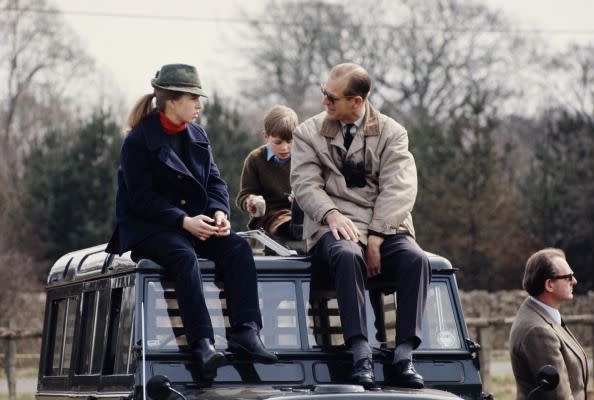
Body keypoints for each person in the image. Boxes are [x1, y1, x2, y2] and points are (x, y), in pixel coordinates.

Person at [106, 63, 277, 379]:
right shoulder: (138, 141)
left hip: (195, 223)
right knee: (184, 258)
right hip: (149, 229)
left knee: (238, 248)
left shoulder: (197, 134)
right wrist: (183, 221)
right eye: (192, 98)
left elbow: (215, 181)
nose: (199, 105)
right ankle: (202, 344)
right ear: (171, 100)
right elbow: (141, 199)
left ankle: (246, 332)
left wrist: (220, 213)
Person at [290, 62, 430, 389]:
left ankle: (404, 354)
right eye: (324, 95)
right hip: (333, 224)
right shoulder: (308, 133)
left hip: (386, 224)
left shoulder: (392, 133)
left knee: (417, 260)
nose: (325, 102)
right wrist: (330, 214)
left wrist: (378, 236)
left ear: (357, 101)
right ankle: (360, 352)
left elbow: (401, 187)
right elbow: (305, 184)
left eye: (332, 98)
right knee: (346, 255)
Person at [509, 248, 589, 400]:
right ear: (549, 285)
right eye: (568, 277)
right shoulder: (538, 330)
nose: (574, 281)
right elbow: (559, 397)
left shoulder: (543, 314)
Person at [236, 105, 301, 239]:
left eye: (290, 141)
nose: (284, 147)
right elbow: (244, 195)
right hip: (270, 214)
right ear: (266, 136)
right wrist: (251, 201)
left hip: (300, 211)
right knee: (285, 224)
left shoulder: (303, 157)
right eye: (278, 142)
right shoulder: (255, 159)